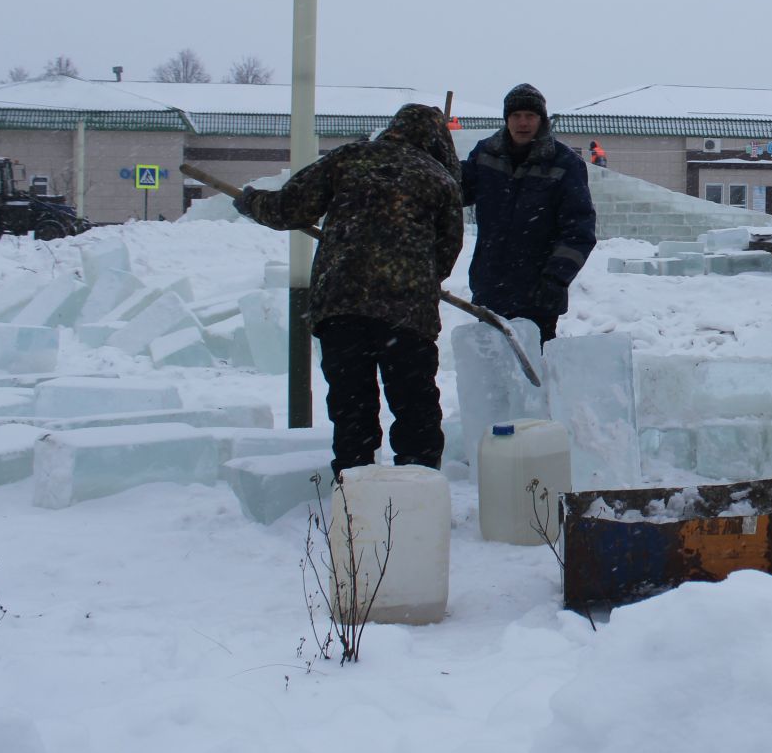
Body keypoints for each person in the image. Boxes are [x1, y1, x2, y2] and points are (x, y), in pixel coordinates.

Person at [234, 104, 464, 476]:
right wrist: (414, 274)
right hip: (407, 315)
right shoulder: (439, 178)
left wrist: (251, 202)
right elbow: (447, 251)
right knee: (414, 407)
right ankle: (418, 488)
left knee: (351, 406)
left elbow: (289, 207)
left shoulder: (350, 158)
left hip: (342, 306)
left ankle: (354, 492)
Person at [463, 83, 598, 344]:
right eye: (516, 115)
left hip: (539, 293)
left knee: (534, 370)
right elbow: (456, 191)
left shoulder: (564, 163)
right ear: (506, 119)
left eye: (530, 116)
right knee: (492, 370)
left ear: (542, 120)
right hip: (491, 288)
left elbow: (579, 230)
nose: (522, 123)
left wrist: (556, 278)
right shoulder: (485, 154)